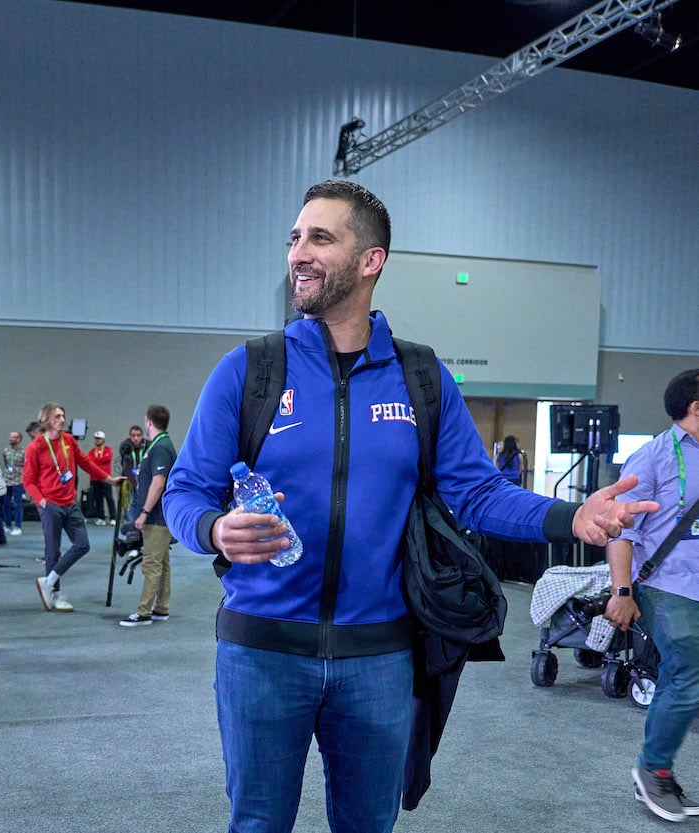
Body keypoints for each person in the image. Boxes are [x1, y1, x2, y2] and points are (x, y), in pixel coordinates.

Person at [163, 178, 658, 833]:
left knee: (368, 824)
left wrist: (572, 518)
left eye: (320, 237)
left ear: (371, 260)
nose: (298, 252)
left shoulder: (421, 378)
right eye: (293, 238)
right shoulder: (250, 370)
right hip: (262, 651)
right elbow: (184, 492)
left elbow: (477, 492)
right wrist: (213, 528)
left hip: (380, 657)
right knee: (257, 822)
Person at [605, 368, 699, 823]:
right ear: (696, 408)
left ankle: (659, 769)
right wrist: (622, 591)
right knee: (686, 672)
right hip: (668, 583)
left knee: (683, 680)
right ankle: (653, 770)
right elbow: (620, 534)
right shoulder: (653, 457)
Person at [24, 403, 121, 613]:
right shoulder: (36, 447)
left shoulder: (68, 440)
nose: (62, 419)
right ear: (48, 419)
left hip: (70, 503)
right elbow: (28, 481)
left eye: (63, 416)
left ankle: (47, 583)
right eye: (58, 416)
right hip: (50, 505)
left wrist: (109, 479)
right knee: (53, 551)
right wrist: (41, 501)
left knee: (82, 545)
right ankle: (55, 594)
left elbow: (86, 462)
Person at [120, 406, 176, 627]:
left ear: (148, 422)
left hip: (156, 517)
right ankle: (161, 608)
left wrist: (143, 512)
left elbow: (158, 482)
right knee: (162, 563)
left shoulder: (160, 447)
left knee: (151, 564)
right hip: (160, 516)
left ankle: (143, 612)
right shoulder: (160, 445)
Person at [87, 430, 115, 525]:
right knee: (98, 498)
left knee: (109, 498)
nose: (97, 440)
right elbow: (89, 462)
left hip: (106, 478)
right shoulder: (92, 451)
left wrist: (96, 461)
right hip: (95, 478)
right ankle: (100, 517)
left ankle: (113, 518)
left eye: (99, 439)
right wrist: (98, 461)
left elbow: (107, 459)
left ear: (103, 440)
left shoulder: (108, 450)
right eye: (96, 439)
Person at [1, 431, 25, 535]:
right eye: (10, 437)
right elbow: (6, 463)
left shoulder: (24, 452)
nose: (10, 439)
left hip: (18, 481)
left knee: (17, 504)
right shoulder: (6, 451)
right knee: (6, 505)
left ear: (18, 440)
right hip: (7, 481)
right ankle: (7, 525)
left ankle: (18, 526)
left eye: (13, 437)